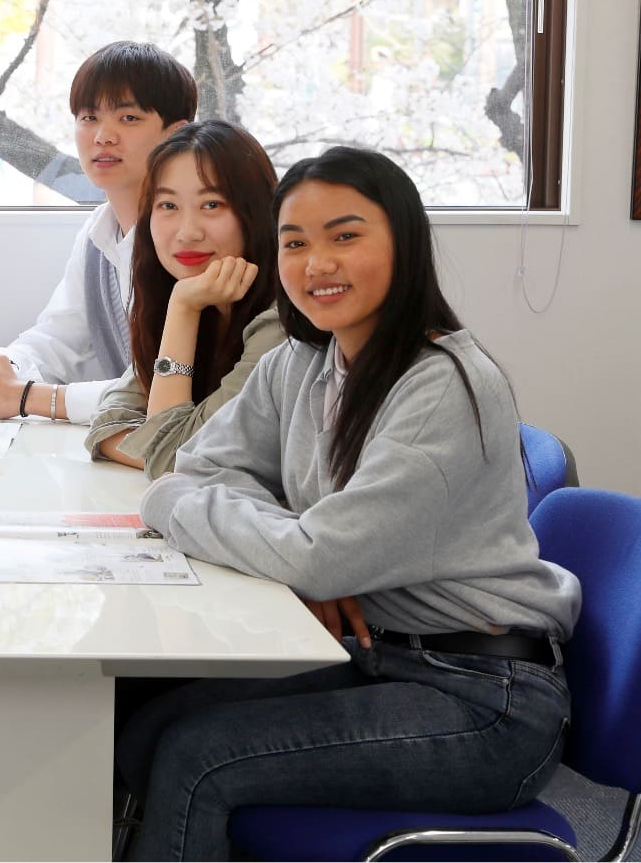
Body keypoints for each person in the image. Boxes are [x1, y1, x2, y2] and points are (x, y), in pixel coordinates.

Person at [116, 147, 580, 861]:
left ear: (404, 241)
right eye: (295, 243)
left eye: (345, 235)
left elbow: (312, 551)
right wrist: (300, 550)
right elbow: (198, 466)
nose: (316, 262)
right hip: (380, 656)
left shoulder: (445, 383)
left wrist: (195, 512)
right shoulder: (300, 361)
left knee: (197, 757)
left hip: (488, 699)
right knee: (146, 721)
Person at [0, 42, 196, 424]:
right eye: (89, 117)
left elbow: (159, 391)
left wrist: (21, 396)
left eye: (129, 118)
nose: (103, 136)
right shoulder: (97, 232)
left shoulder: (189, 242)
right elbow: (58, 336)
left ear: (176, 134)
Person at [86, 120, 286, 477]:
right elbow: (108, 422)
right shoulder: (194, 299)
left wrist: (183, 308)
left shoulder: (280, 325)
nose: (187, 232)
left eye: (212, 204)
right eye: (167, 206)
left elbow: (172, 463)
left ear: (254, 214)